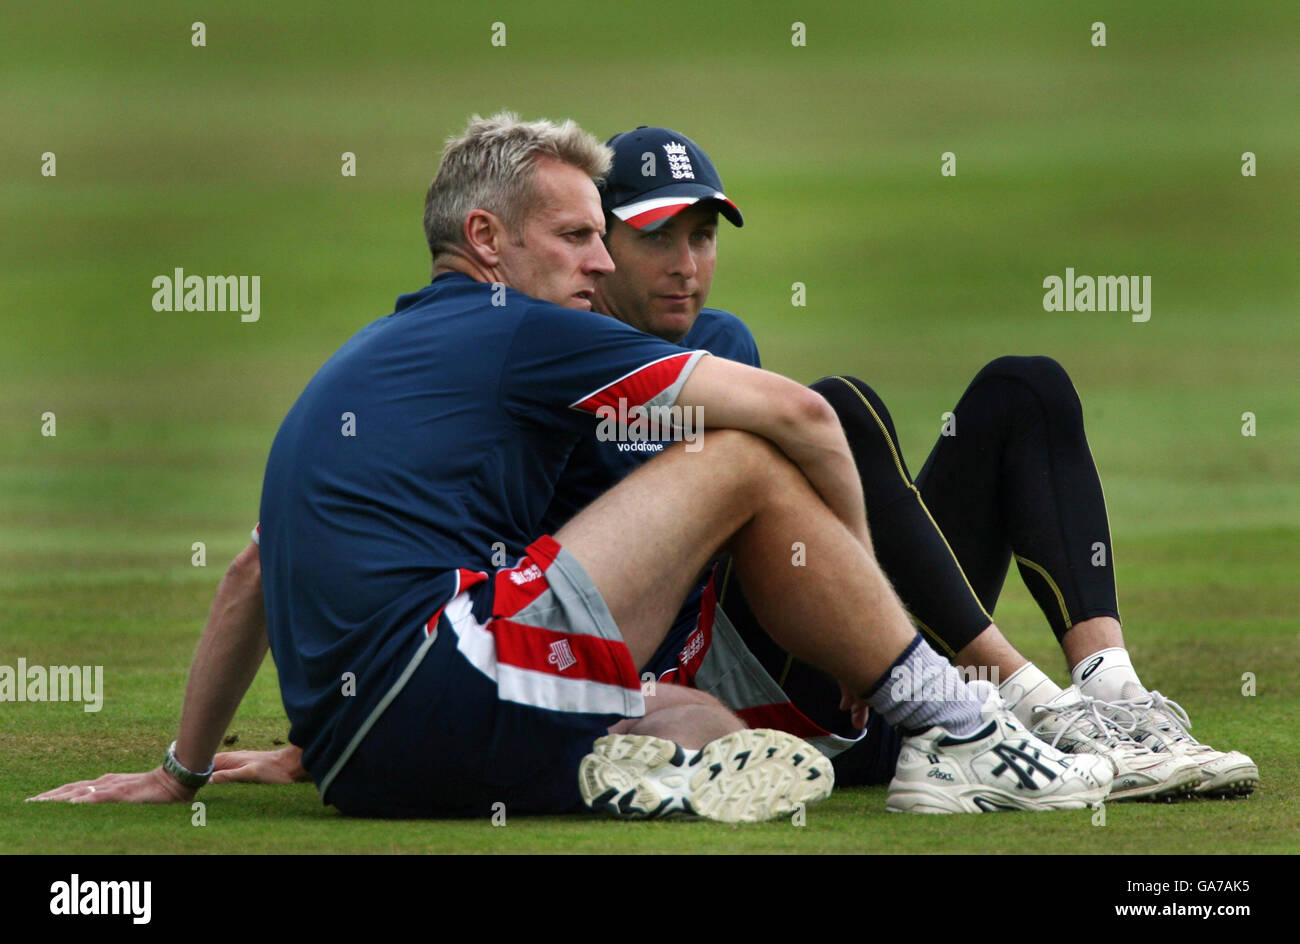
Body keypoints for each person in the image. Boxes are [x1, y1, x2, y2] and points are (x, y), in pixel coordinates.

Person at [28, 113, 1114, 821]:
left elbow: (249, 579)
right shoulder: (517, 328)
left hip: (370, 765)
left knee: (714, 732)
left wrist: (185, 766)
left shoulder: (374, 361)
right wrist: (881, 653)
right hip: (455, 677)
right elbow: (798, 420)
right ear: (489, 241)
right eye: (580, 237)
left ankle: (667, 775)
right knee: (751, 448)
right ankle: (966, 725)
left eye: (611, 238)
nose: (604, 263)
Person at [566, 125, 1257, 801]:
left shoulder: (723, 341)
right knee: (838, 405)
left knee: (1026, 389)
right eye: (656, 238)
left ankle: (1118, 699)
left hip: (871, 682)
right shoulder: (557, 365)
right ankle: (1038, 710)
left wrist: (851, 608)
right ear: (600, 244)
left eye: (702, 237)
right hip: (719, 700)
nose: (685, 265)